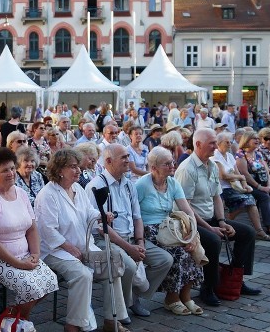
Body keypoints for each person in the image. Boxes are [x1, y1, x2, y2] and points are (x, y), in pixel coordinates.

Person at [35, 149, 130, 332]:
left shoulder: (77, 188)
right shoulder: (48, 195)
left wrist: (102, 216)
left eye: (78, 166)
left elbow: (89, 212)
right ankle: (72, 329)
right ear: (59, 170)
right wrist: (69, 248)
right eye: (72, 166)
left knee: (111, 264)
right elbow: (47, 230)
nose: (78, 170)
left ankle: (112, 318)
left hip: (82, 245)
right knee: (82, 275)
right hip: (55, 251)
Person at [86, 144, 173, 320]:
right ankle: (122, 308)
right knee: (129, 266)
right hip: (106, 241)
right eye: (124, 157)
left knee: (164, 260)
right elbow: (101, 228)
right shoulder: (96, 186)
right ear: (109, 161)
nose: (128, 160)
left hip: (131, 237)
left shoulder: (128, 184)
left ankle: (134, 297)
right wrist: (129, 248)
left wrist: (140, 242)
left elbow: (137, 216)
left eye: (128, 156)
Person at [175, 129, 260, 306]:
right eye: (212, 143)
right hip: (189, 222)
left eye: (216, 142)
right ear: (198, 144)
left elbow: (217, 197)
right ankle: (209, 287)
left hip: (210, 218)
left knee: (247, 233)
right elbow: (186, 207)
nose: (216, 147)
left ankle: (236, 279)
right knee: (213, 241)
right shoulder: (187, 169)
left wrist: (221, 221)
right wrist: (209, 227)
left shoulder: (212, 165)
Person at [0, 148, 58, 319]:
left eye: (12, 168)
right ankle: (17, 323)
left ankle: (12, 318)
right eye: (4, 170)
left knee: (50, 281)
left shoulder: (21, 193)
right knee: (31, 288)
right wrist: (18, 264)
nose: (11, 173)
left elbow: (32, 228)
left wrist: (35, 254)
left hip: (23, 255)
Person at [134, 147, 205, 316]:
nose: (173, 166)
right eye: (167, 163)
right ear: (154, 168)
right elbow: (134, 214)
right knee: (179, 252)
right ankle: (171, 298)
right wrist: (138, 239)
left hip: (170, 229)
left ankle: (186, 296)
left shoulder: (172, 182)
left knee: (193, 248)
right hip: (149, 230)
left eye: (172, 161)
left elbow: (188, 211)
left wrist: (193, 234)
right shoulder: (142, 185)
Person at [212, 132, 270, 241]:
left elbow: (237, 172)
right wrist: (241, 178)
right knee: (245, 202)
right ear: (219, 143)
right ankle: (226, 224)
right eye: (227, 142)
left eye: (231, 142)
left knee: (250, 201)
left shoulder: (229, 155)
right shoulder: (215, 156)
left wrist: (244, 185)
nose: (230, 144)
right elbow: (223, 176)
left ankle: (259, 230)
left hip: (234, 187)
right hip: (221, 189)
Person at [236, 132, 270, 236]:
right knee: (264, 196)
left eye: (257, 138)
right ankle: (269, 225)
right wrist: (259, 187)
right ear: (246, 140)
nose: (257, 140)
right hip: (248, 185)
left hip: (262, 183)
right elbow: (245, 174)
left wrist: (268, 185)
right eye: (254, 138)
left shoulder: (257, 152)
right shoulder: (241, 154)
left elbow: (266, 169)